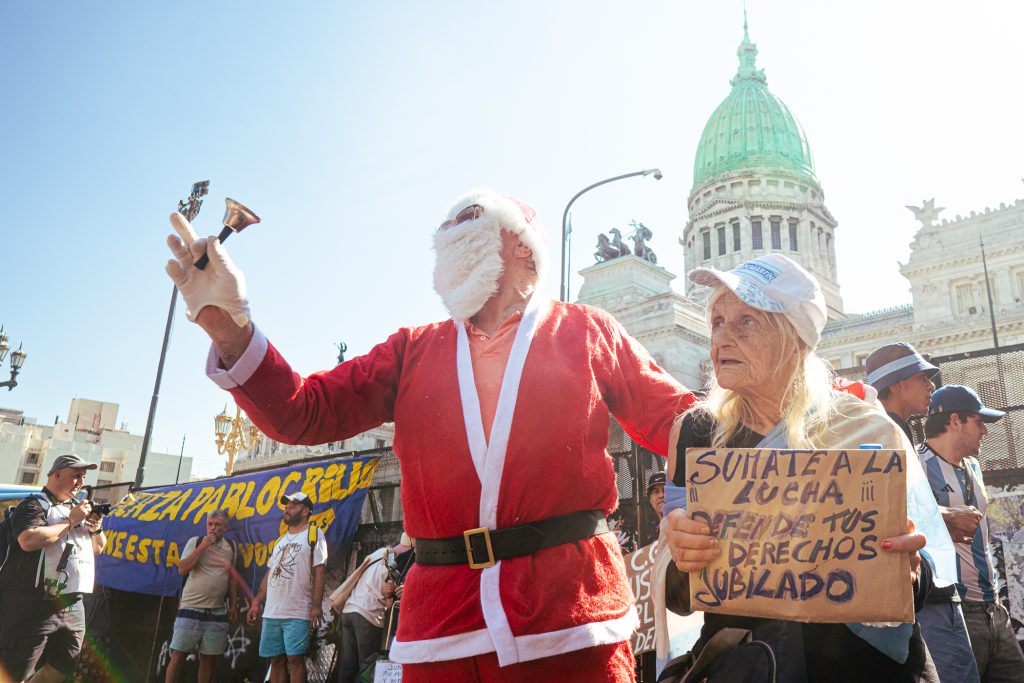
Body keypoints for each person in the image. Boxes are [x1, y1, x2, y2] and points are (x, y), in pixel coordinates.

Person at [165, 189, 695, 682]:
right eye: (447, 227)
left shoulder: (586, 330)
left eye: (471, 220)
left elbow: (678, 420)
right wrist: (229, 326)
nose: (451, 231)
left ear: (525, 250)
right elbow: (305, 412)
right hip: (441, 632)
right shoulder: (412, 350)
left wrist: (687, 505)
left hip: (571, 624)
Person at [658, 254, 957, 683]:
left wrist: (909, 563)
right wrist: (682, 551)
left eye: (746, 322)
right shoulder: (695, 431)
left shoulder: (867, 426)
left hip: (861, 667)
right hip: (751, 665)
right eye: (718, 321)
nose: (722, 337)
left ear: (796, 338)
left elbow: (931, 570)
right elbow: (678, 594)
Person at [867, 344, 976, 683]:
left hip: (922, 588)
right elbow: (885, 510)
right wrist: (947, 517)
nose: (932, 385)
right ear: (898, 383)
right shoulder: (879, 431)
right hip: (920, 591)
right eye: (923, 377)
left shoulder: (892, 428)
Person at [918, 385, 1024, 682]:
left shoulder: (973, 466)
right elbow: (898, 518)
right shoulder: (917, 465)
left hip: (993, 609)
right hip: (953, 611)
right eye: (979, 423)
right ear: (955, 422)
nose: (985, 432)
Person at [0, 454, 107, 683]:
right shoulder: (33, 504)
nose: (80, 482)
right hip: (33, 601)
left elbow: (98, 548)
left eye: (83, 477)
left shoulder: (77, 509)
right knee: (16, 670)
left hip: (72, 601)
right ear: (57, 474)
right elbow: (27, 540)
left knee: (66, 663)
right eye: (75, 476)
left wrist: (96, 528)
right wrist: (70, 521)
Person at [246, 492, 327, 683]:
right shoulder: (280, 541)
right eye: (286, 506)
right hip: (272, 612)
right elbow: (269, 574)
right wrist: (256, 602)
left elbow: (319, 571)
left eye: (292, 505)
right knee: (275, 660)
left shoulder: (314, 534)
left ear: (305, 511)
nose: (287, 509)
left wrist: (316, 606)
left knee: (295, 660)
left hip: (297, 611)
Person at [165, 509, 239, 683]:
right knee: (178, 655)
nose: (213, 528)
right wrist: (203, 546)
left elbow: (232, 578)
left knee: (208, 659)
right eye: (210, 524)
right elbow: (182, 569)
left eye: (218, 525)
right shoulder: (195, 542)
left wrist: (234, 604)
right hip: (191, 607)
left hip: (217, 610)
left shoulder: (231, 547)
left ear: (225, 527)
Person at [330, 534, 412, 683]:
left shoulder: (379, 553)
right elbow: (388, 596)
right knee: (367, 666)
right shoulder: (394, 561)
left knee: (348, 664)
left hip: (349, 609)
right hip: (368, 615)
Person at [865, 342, 939, 445]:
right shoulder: (887, 430)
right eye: (922, 378)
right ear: (896, 384)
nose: (931, 386)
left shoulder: (879, 425)